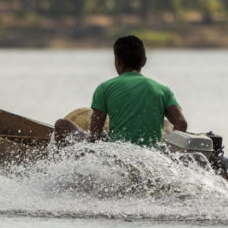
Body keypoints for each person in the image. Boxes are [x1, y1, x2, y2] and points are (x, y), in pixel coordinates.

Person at [54, 35, 187, 147]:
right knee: (166, 124)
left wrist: (102, 137)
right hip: (153, 157)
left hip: (118, 155)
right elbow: (181, 123)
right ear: (144, 62)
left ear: (117, 61)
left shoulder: (105, 88)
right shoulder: (163, 90)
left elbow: (94, 137)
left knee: (61, 124)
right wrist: (167, 151)